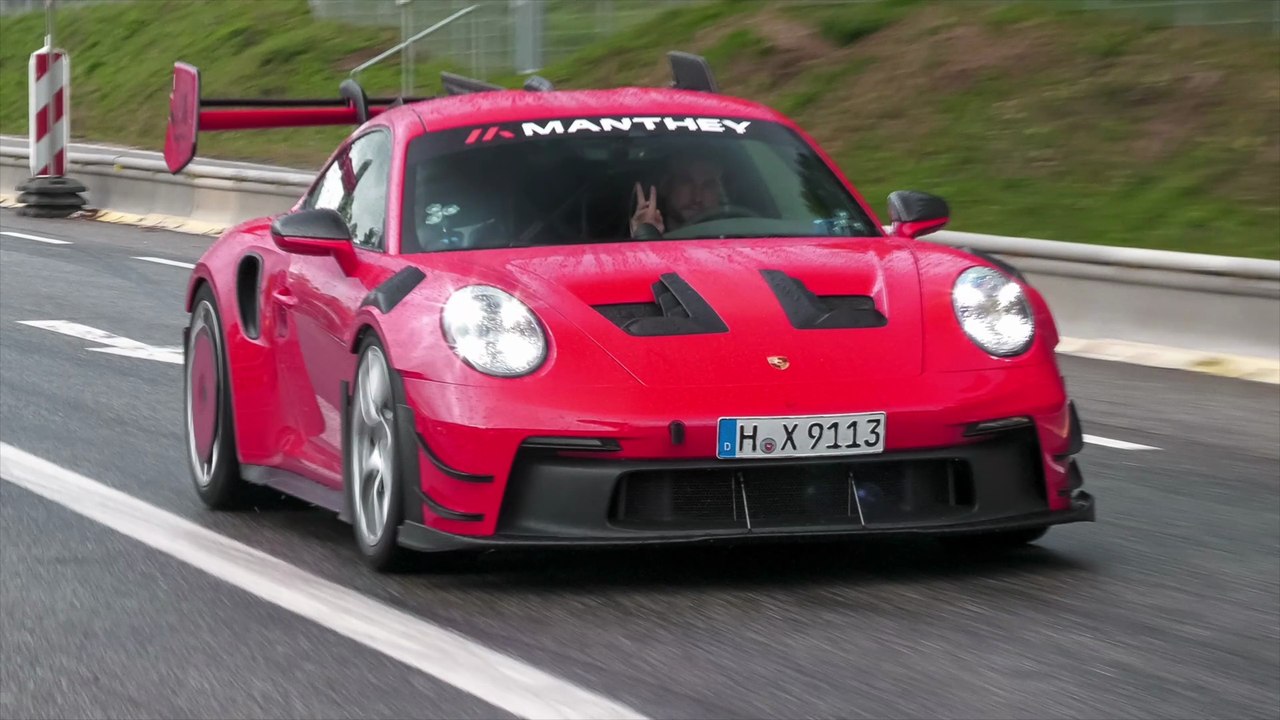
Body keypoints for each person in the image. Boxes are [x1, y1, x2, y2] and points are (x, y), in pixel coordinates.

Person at [630, 154, 726, 239]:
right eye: (687, 182)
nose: (697, 198)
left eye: (708, 186)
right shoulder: (620, 241)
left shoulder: (732, 236)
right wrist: (645, 234)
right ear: (665, 186)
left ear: (719, 192)